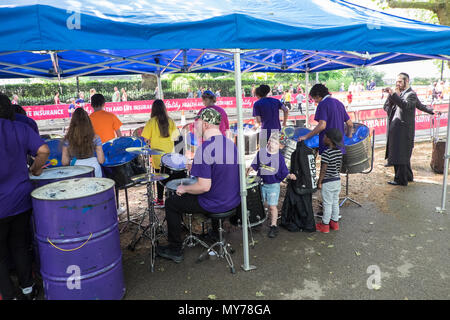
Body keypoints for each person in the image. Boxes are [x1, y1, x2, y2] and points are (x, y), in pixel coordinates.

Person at [156, 107, 240, 263]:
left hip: (215, 202)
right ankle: (215, 232)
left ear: (206, 124)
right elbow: (220, 172)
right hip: (232, 200)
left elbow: (203, 187)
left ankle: (175, 249)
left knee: (172, 203)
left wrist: (184, 188)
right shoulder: (230, 144)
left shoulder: (206, 148)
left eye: (198, 122)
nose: (195, 126)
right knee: (208, 189)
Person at [0, 93, 49, 300]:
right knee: (20, 245)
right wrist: (35, 169)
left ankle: (10, 295)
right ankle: (28, 290)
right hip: (20, 199)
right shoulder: (19, 128)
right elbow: (44, 149)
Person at [383, 72, 434, 186]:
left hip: (404, 130)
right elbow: (386, 107)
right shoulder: (396, 94)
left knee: (400, 154)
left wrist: (431, 111)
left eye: (400, 81)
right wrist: (391, 99)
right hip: (395, 128)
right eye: (397, 81)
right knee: (401, 153)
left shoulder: (410, 94)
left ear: (407, 81)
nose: (398, 84)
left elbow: (407, 105)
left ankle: (400, 180)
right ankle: (408, 176)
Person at [247, 132, 288, 238]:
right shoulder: (261, 153)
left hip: (273, 185)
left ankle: (273, 225)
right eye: (270, 140)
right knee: (259, 204)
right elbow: (255, 165)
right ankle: (258, 221)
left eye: (275, 142)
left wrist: (277, 180)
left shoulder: (279, 158)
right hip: (261, 183)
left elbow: (284, 172)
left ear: (280, 146)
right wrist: (249, 169)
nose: (271, 143)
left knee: (272, 206)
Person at [141, 99, 180, 208]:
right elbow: (176, 137)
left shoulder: (151, 122)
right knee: (168, 176)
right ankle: (171, 198)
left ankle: (160, 200)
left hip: (157, 157)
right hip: (169, 155)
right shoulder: (170, 121)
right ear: (164, 109)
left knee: (159, 178)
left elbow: (145, 138)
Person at [298, 83, 353, 155]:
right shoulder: (339, 103)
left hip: (328, 149)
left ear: (317, 96)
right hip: (340, 149)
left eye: (314, 98)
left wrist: (306, 136)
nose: (315, 101)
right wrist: (348, 136)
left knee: (326, 166)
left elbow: (322, 125)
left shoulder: (322, 104)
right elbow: (350, 124)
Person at [62, 108, 105, 177]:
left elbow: (64, 162)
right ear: (88, 122)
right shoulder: (95, 137)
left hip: (76, 171)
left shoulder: (68, 139)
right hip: (94, 170)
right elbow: (101, 160)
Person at [315, 128, 343, 233]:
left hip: (328, 182)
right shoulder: (339, 152)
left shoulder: (326, 153)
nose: (323, 137)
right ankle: (335, 223)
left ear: (329, 140)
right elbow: (339, 167)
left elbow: (323, 169)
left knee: (327, 204)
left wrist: (320, 182)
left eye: (325, 136)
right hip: (337, 180)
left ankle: (325, 225)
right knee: (335, 202)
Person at [253, 84, 289, 149]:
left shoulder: (257, 104)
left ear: (257, 95)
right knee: (276, 152)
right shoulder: (276, 101)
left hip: (265, 131)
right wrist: (284, 122)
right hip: (277, 130)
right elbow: (286, 110)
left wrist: (255, 127)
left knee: (263, 152)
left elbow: (258, 121)